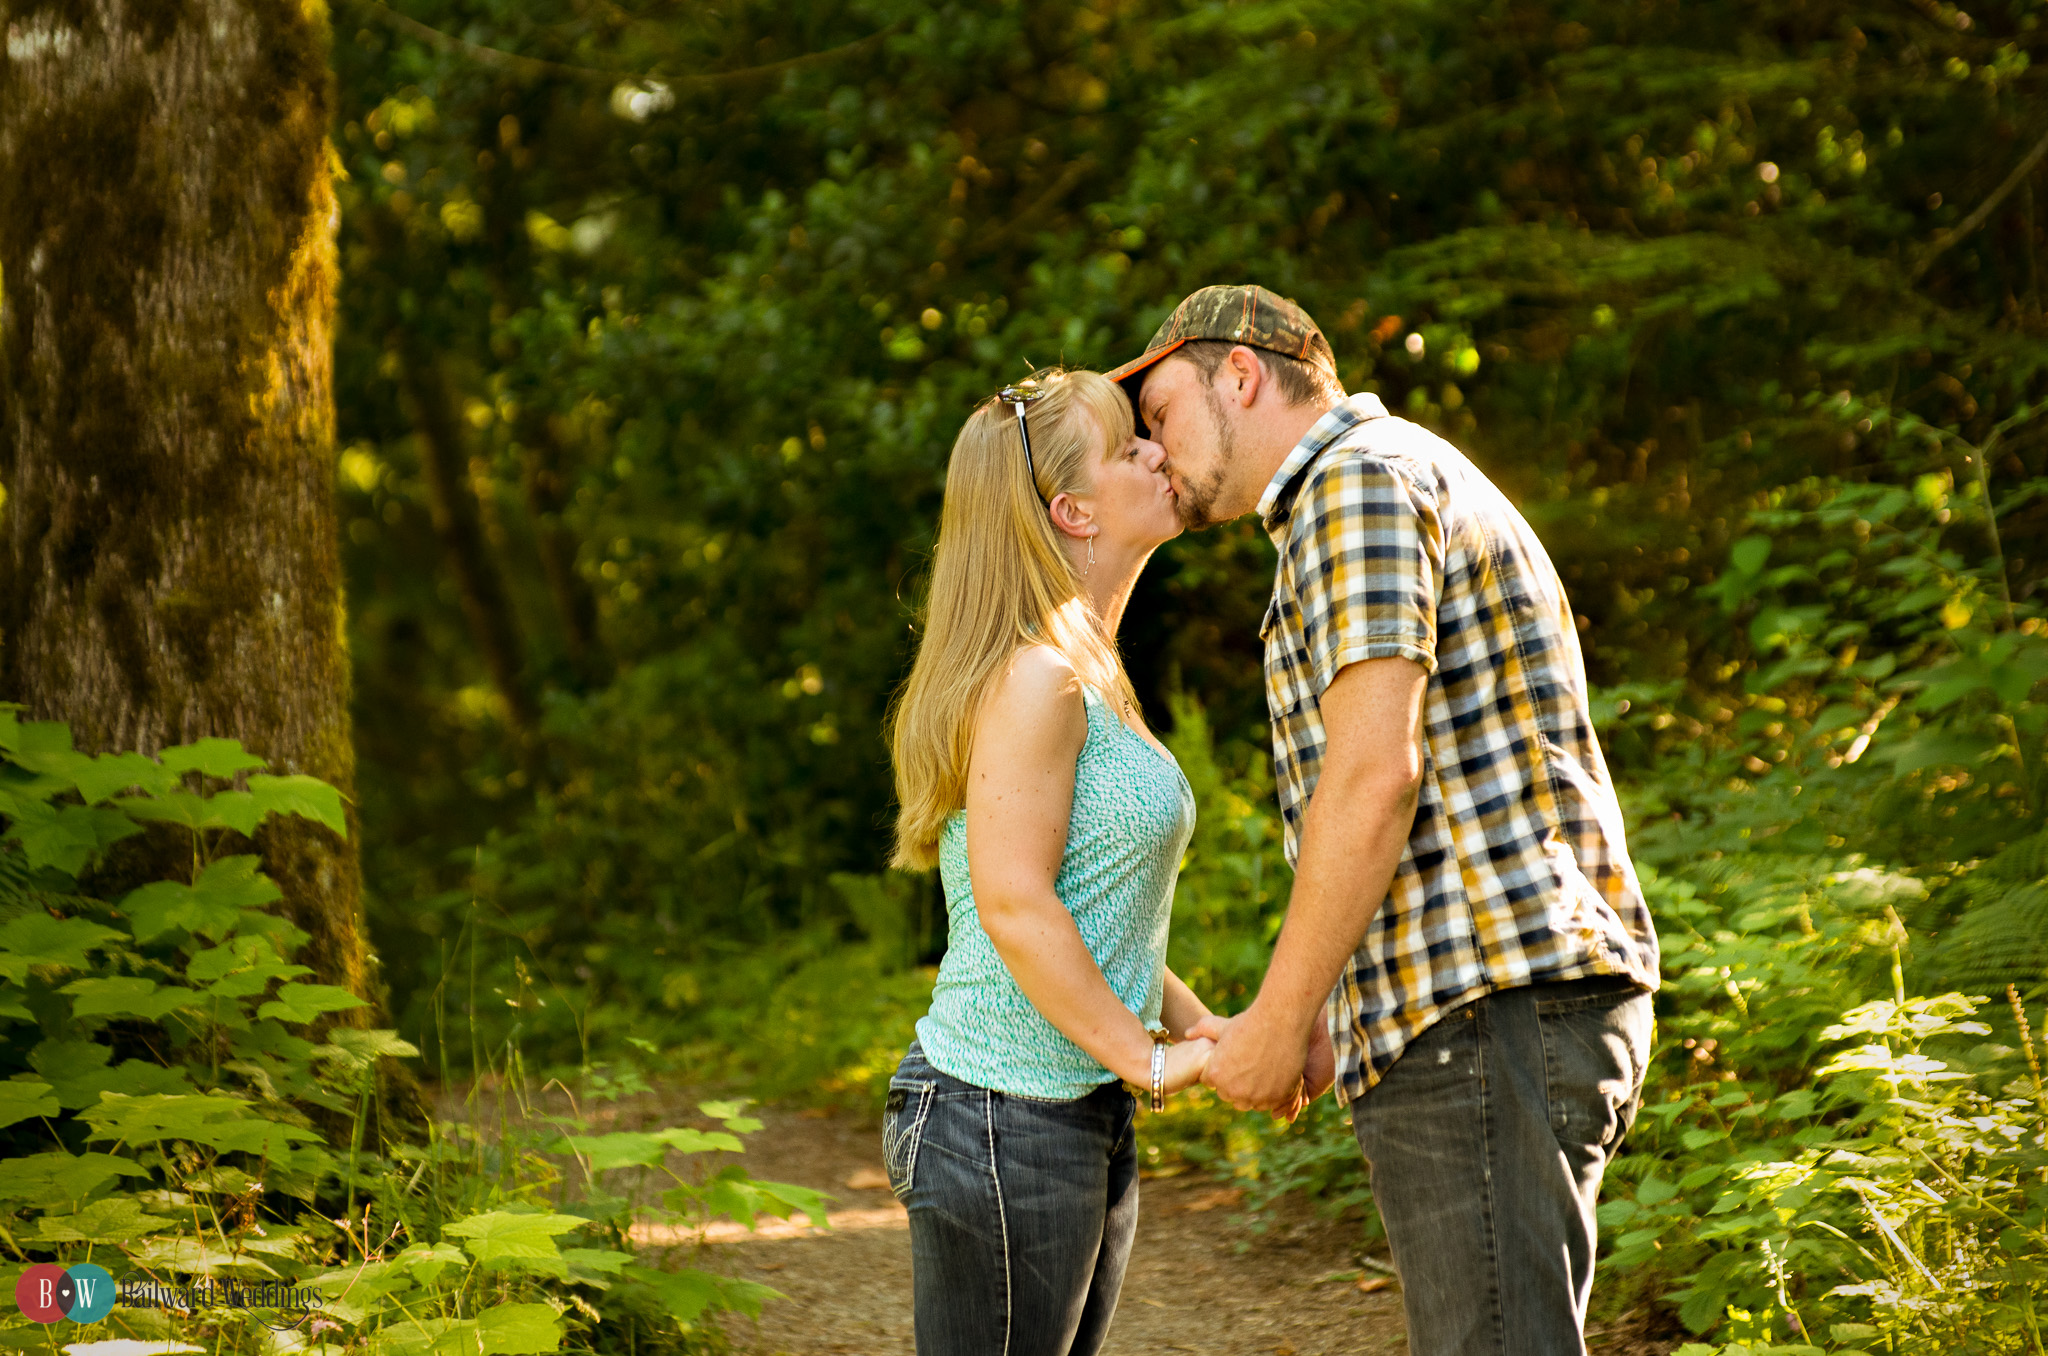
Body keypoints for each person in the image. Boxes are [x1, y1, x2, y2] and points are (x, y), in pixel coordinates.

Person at [1106, 285, 1663, 1356]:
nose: (1155, 450)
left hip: (1482, 1011)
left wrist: (1273, 1019)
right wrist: (1323, 1000)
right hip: (1479, 1007)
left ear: (1239, 375)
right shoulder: (1381, 478)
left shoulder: (1355, 487)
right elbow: (1421, 781)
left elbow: (1373, 779)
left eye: (1160, 410)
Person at [883, 367, 1220, 1356]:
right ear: (1071, 510)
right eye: (1129, 447)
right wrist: (1150, 1059)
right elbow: (1015, 906)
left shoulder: (1090, 668)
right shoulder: (1039, 677)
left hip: (1072, 1115)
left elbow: (1087, 905)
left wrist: (1208, 1028)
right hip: (999, 1119)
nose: (1157, 448)